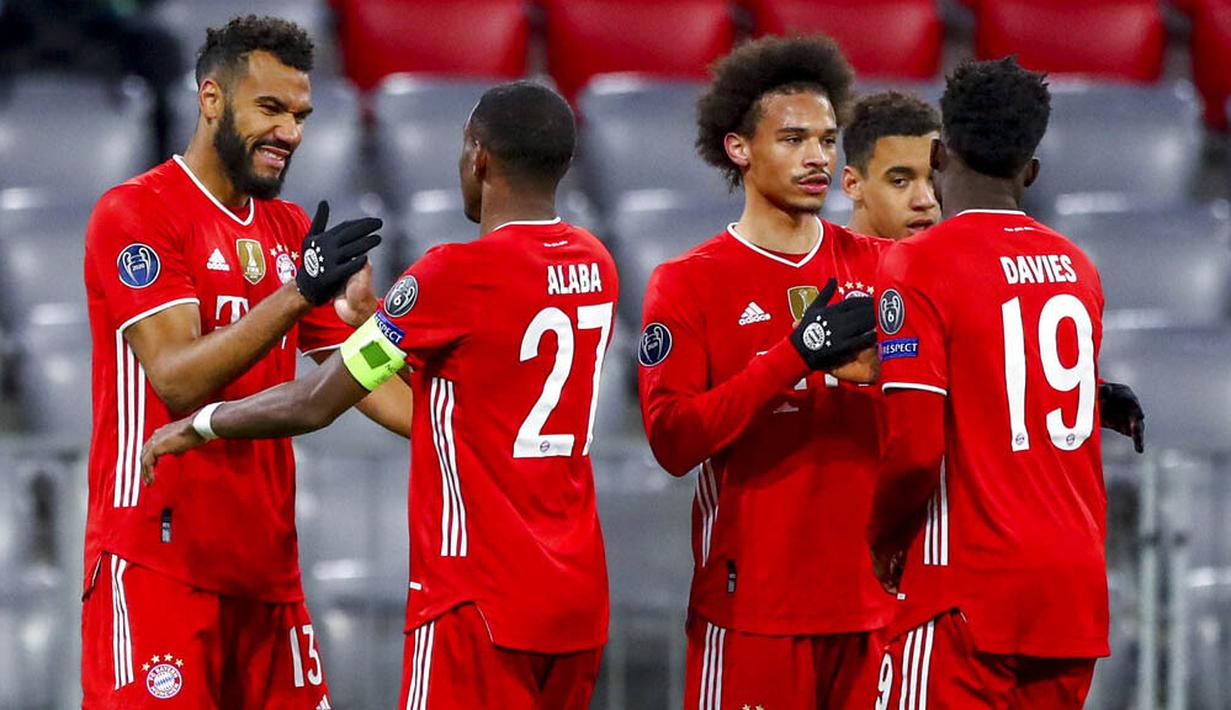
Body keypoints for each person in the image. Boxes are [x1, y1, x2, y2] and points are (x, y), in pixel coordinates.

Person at [141, 80, 617, 710]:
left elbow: (315, 401)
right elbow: (480, 391)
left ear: (479, 156)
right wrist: (371, 319)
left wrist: (201, 424)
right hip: (576, 601)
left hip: (476, 601)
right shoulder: (598, 266)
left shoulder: (455, 273)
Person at [81, 16, 407, 708]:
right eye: (270, 108)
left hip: (267, 577)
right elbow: (176, 379)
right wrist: (298, 294)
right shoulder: (136, 214)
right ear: (211, 100)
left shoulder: (291, 232)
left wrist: (378, 330)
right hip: (159, 567)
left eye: (300, 114)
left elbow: (364, 384)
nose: (290, 130)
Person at [866, 57, 1141, 708]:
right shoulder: (1076, 267)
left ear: (937, 154)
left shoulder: (918, 263)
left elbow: (913, 448)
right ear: (1031, 172)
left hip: (967, 590)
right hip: (1070, 597)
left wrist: (881, 542)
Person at [638, 35, 890, 709]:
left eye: (828, 139)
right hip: (751, 613)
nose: (816, 157)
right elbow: (671, 440)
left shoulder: (881, 267)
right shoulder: (687, 284)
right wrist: (791, 356)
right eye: (793, 138)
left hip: (873, 613)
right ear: (739, 149)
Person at [840, 90, 941, 241]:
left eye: (933, 179)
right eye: (900, 181)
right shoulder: (819, 263)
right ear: (852, 184)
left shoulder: (961, 262)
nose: (925, 201)